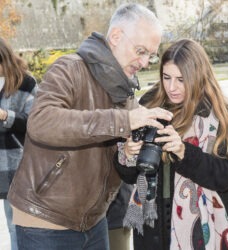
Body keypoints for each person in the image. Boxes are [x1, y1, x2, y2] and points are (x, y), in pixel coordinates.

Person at [7, 3, 173, 249]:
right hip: (45, 220)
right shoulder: (70, 69)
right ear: (116, 36)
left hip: (94, 222)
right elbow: (41, 122)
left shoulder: (125, 91)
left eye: (151, 55)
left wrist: (127, 155)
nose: (145, 61)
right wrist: (124, 121)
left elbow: (110, 163)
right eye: (141, 51)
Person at [114, 38, 228, 249]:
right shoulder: (147, 106)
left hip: (201, 230)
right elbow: (128, 175)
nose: (172, 87)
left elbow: (225, 177)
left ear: (198, 76)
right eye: (166, 77)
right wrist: (127, 153)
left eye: (181, 80)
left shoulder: (220, 116)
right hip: (151, 225)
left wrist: (184, 152)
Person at [0, 37, 37, 250]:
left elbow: (36, 123)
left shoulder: (26, 83)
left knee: (17, 226)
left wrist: (6, 115)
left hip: (16, 166)